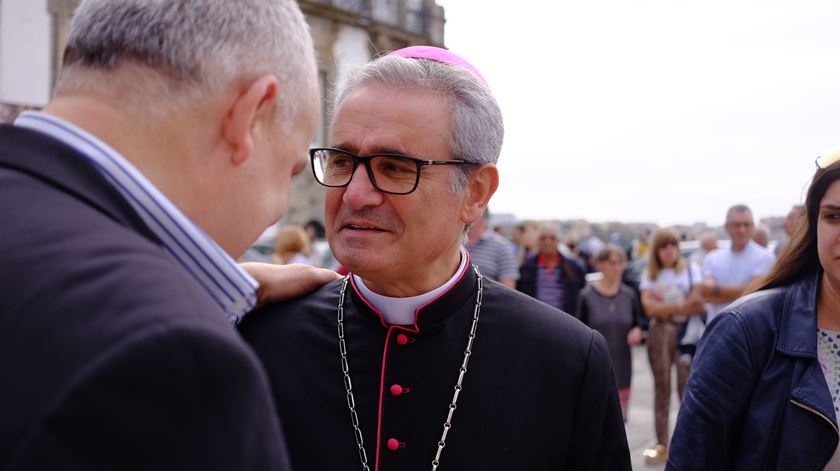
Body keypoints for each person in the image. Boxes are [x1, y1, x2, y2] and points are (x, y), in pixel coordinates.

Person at [239, 46, 631, 470]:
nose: (354, 193)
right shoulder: (259, 335)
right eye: (342, 161)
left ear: (475, 192)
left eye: (394, 167)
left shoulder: (566, 360)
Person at [0, 1, 339, 469]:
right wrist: (171, 305)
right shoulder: (172, 357)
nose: (280, 205)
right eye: (290, 168)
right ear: (250, 114)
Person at [667, 150, 840, 470]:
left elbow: (714, 289)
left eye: (747, 224)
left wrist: (717, 290)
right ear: (814, 224)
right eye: (834, 216)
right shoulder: (744, 331)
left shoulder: (759, 257)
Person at [639, 228, 705, 465]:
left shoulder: (690, 269)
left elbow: (697, 303)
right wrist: (680, 305)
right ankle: (662, 443)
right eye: (664, 246)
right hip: (660, 334)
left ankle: (688, 441)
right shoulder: (650, 274)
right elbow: (647, 307)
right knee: (662, 387)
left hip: (686, 333)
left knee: (686, 387)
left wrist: (664, 307)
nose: (669, 251)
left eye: (673, 245)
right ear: (657, 250)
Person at [576, 244, 644, 420]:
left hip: (622, 364)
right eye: (612, 262)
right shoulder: (586, 296)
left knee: (619, 420)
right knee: (595, 418)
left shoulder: (629, 295)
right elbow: (578, 330)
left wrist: (637, 331)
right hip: (595, 366)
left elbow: (638, 323)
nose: (617, 267)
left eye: (621, 262)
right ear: (599, 264)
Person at [700, 204, 775, 325]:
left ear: (753, 226)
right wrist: (744, 291)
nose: (742, 230)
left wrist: (717, 291)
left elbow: (755, 292)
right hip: (716, 329)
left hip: (750, 331)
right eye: (737, 225)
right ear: (726, 227)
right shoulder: (712, 258)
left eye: (747, 224)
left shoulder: (765, 257)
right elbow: (705, 292)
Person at [517, 224, 587, 314]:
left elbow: (580, 293)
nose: (547, 242)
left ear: (558, 241)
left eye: (552, 238)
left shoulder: (573, 266)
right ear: (538, 241)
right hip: (535, 319)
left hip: (566, 321)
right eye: (543, 238)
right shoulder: (527, 266)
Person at [465, 209, 520, 287]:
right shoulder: (454, 243)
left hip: (487, 298)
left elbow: (508, 288)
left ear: (480, 213)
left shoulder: (502, 246)